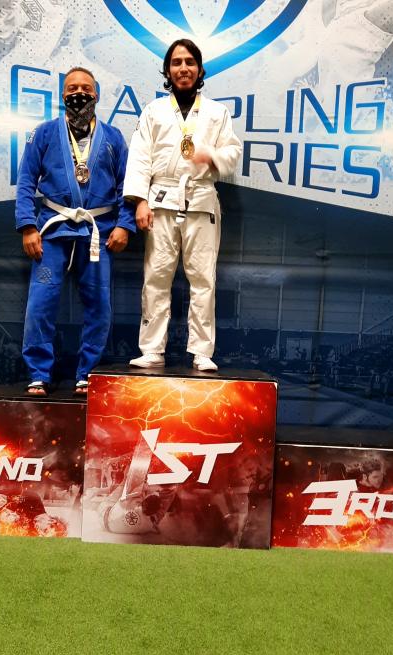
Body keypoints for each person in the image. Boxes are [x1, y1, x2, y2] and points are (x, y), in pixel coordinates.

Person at [124, 39, 241, 372]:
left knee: (203, 279)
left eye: (190, 62)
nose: (183, 68)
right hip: (161, 200)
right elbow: (140, 158)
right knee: (156, 276)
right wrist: (140, 201)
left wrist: (211, 156)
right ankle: (152, 349)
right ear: (167, 71)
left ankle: (202, 351)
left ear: (200, 70)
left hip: (201, 199)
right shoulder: (153, 111)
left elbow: (233, 154)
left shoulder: (217, 112)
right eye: (176, 62)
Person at [16, 67, 135, 395]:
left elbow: (127, 186)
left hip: (98, 233)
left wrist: (124, 225)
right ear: (62, 95)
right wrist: (27, 225)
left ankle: (88, 373)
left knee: (99, 306)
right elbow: (26, 180)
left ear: (96, 94)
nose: (78, 93)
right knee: (40, 303)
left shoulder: (113, 138)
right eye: (71, 88)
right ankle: (38, 372)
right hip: (52, 230)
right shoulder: (43, 133)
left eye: (85, 88)